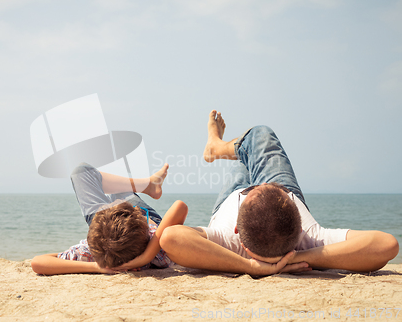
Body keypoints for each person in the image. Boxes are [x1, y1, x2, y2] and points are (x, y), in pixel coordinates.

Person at [158, 110, 399, 277]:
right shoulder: (311, 238)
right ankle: (219, 147)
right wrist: (301, 258)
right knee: (256, 142)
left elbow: (170, 238)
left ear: (236, 232)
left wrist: (250, 267)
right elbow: (386, 245)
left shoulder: (227, 241)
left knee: (255, 141)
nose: (259, 184)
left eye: (257, 189)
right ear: (299, 223)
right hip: (278, 214)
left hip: (230, 197)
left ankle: (215, 145)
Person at [31, 162, 188, 275]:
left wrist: (97, 267)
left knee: (82, 172)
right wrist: (146, 256)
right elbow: (179, 207)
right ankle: (148, 185)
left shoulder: (93, 252)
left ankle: (148, 185)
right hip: (133, 233)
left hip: (109, 232)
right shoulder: (161, 253)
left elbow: (38, 262)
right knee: (120, 192)